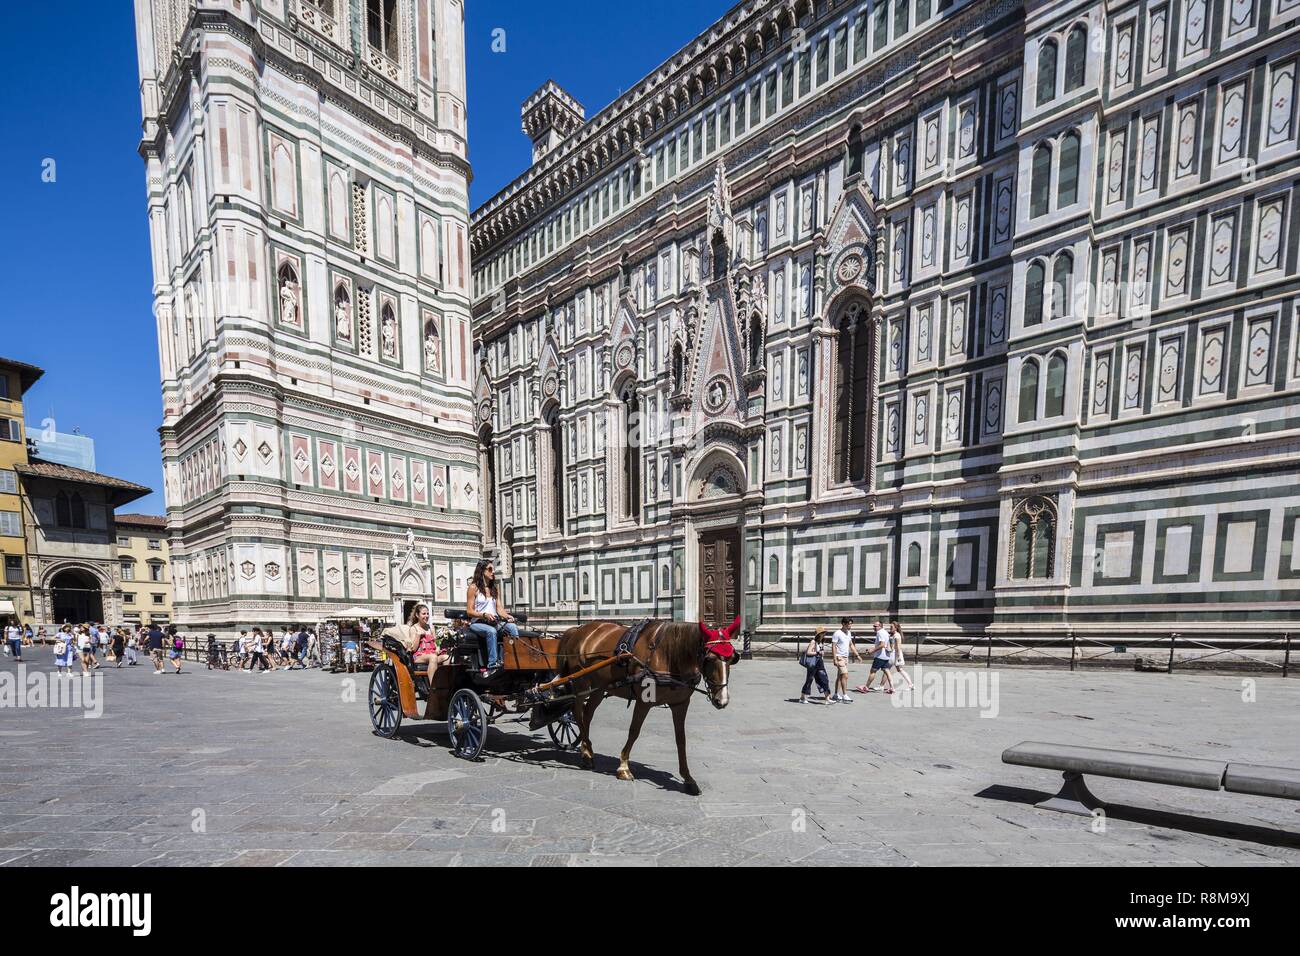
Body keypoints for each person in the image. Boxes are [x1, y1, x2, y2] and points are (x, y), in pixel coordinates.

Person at [466, 559, 517, 675]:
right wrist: (483, 615)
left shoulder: (495, 588)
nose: (492, 572)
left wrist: (508, 616)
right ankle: (492, 665)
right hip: (478, 623)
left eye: (493, 569)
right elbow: (469, 611)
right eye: (489, 569)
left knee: (513, 628)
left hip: (494, 621)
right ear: (482, 571)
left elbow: (499, 609)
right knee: (491, 631)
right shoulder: (473, 588)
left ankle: (514, 659)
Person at [857, 619, 895, 694]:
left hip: (880, 656)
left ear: (880, 626)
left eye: (875, 626)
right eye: (873, 626)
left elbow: (882, 644)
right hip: (886, 656)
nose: (873, 627)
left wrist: (872, 650)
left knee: (873, 671)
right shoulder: (885, 632)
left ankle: (866, 687)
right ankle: (892, 688)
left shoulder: (880, 633)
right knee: (887, 671)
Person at [829, 617, 862, 702]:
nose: (850, 626)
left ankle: (836, 694)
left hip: (845, 657)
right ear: (843, 624)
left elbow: (851, 644)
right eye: (849, 624)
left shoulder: (848, 633)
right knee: (845, 675)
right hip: (839, 657)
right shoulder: (837, 633)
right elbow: (833, 646)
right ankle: (845, 695)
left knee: (840, 676)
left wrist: (857, 655)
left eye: (851, 624)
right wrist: (834, 658)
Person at [799, 625, 832, 703]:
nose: (824, 634)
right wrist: (818, 652)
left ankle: (827, 698)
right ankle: (802, 697)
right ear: (818, 634)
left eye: (824, 633)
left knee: (824, 679)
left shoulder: (821, 642)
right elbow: (808, 652)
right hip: (813, 664)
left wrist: (822, 654)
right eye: (822, 633)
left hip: (820, 663)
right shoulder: (813, 641)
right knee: (809, 680)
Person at [887, 620, 915, 691]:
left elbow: (898, 646)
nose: (890, 628)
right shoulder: (892, 635)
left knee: (898, 669)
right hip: (893, 654)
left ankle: (910, 684)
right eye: (890, 626)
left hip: (897, 654)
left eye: (891, 627)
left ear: (896, 628)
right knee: (896, 669)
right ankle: (910, 684)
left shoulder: (897, 635)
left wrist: (899, 656)